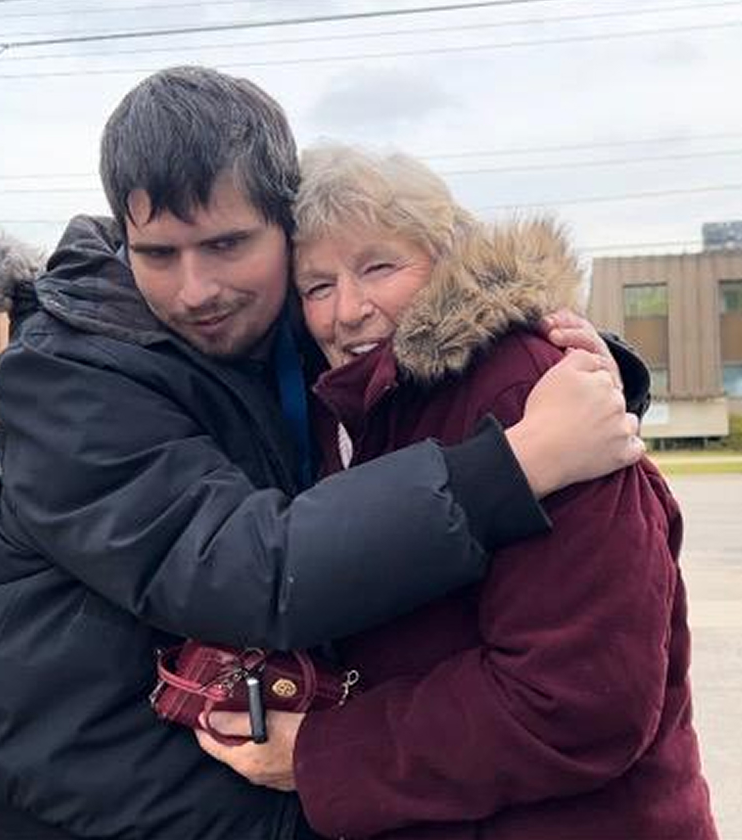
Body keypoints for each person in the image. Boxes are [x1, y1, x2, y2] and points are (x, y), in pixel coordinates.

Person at [0, 68, 648, 840]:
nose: (196, 289)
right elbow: (246, 566)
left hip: (227, 770)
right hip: (76, 786)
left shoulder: (305, 322)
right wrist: (514, 463)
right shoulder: (65, 376)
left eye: (227, 244)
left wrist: (576, 366)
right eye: (159, 253)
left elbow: (432, 327)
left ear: (286, 224)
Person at [195, 145, 718, 839]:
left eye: (379, 266)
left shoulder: (532, 390)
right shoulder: (345, 409)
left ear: (448, 257)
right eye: (317, 287)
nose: (347, 310)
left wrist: (321, 755)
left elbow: (581, 702)